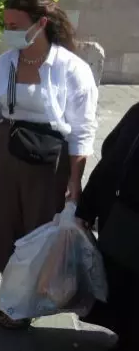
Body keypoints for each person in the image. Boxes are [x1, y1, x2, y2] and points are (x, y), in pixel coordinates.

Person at [0, 0, 98, 328]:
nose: (9, 31)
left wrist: (75, 181)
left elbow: (82, 129)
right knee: (1, 224)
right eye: (6, 24)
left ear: (41, 23)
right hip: (6, 152)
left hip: (49, 162)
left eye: (15, 24)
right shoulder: (7, 62)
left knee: (38, 230)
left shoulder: (72, 69)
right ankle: (11, 298)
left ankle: (21, 306)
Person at [76, 104, 139, 351]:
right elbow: (110, 163)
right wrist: (87, 208)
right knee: (120, 286)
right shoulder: (136, 113)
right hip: (122, 220)